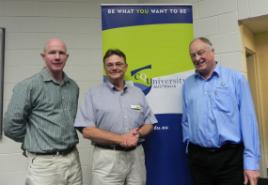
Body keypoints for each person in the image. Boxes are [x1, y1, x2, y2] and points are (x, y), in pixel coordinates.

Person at [182, 37, 260, 185]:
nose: (197, 58)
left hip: (229, 158)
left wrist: (251, 163)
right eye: (193, 55)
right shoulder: (188, 84)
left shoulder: (236, 79)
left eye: (201, 52)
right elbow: (186, 119)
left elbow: (248, 121)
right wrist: (188, 146)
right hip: (198, 159)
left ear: (212, 52)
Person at [4, 38, 83, 185]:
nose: (57, 56)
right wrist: (34, 140)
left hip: (73, 160)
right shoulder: (28, 86)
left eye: (61, 53)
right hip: (44, 165)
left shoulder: (73, 87)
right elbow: (10, 126)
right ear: (43, 56)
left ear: (67, 57)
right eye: (52, 52)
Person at [74, 49, 157, 185]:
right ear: (105, 68)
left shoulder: (137, 94)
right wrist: (121, 139)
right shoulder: (93, 94)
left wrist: (138, 134)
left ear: (126, 67)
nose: (114, 68)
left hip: (136, 157)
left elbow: (149, 122)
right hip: (107, 158)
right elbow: (87, 130)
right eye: (110, 65)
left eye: (118, 64)